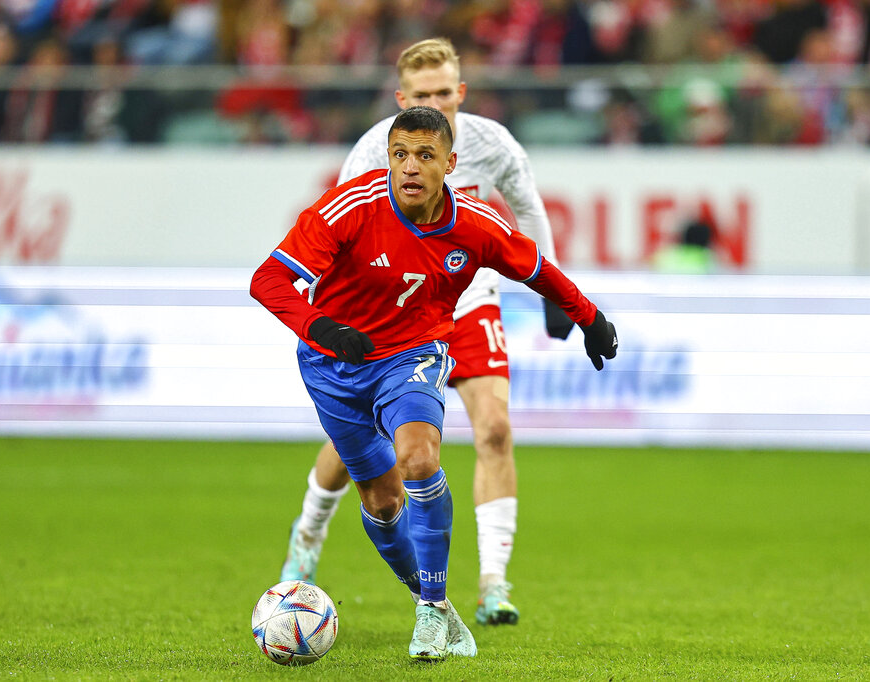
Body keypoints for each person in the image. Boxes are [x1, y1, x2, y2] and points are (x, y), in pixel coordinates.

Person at [251, 105, 618, 660]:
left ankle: (429, 611)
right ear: (388, 159)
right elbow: (269, 279)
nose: (410, 167)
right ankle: (436, 606)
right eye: (400, 154)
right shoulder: (350, 206)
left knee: (419, 459)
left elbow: (537, 268)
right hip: (330, 366)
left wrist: (591, 318)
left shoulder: (475, 224)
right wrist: (319, 324)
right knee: (379, 497)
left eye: (425, 156)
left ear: (450, 163)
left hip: (413, 354)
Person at [278, 37, 578, 628]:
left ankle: (493, 582)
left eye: (445, 93)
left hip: (469, 303)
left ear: (460, 91)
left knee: (494, 428)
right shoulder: (373, 152)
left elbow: (529, 208)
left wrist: (556, 292)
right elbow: (338, 234)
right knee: (358, 452)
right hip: (393, 317)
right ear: (401, 99)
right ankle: (306, 538)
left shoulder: (491, 144)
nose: (436, 105)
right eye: (422, 96)